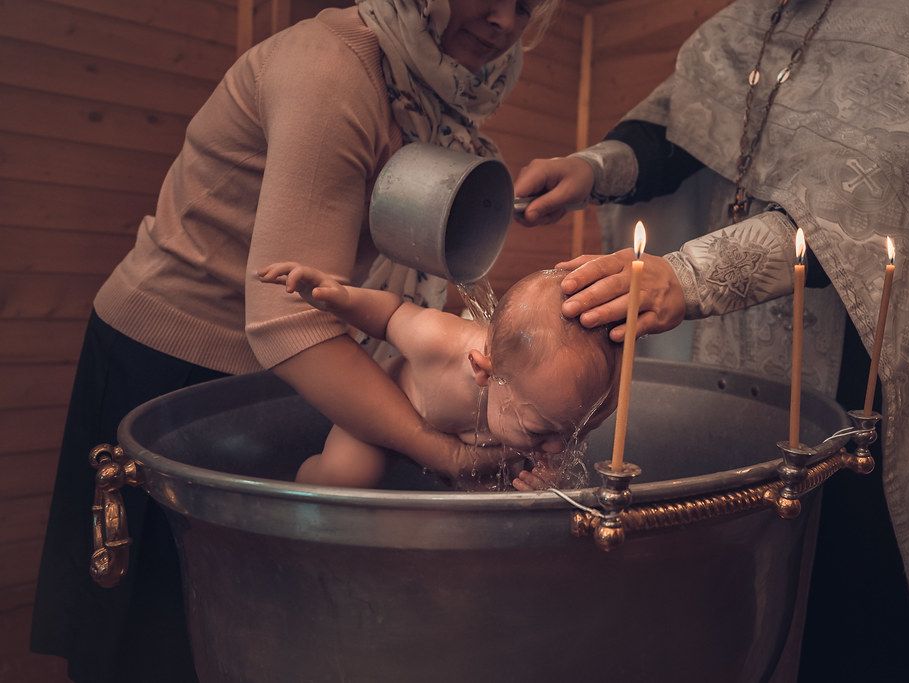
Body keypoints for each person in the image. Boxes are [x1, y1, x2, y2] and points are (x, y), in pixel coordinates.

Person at [30, 1, 558, 680]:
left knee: (225, 627)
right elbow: (288, 316)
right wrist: (439, 450)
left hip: (287, 366)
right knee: (143, 638)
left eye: (528, 6)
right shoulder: (333, 72)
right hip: (169, 358)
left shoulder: (437, 100)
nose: (506, 23)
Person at [513, 1, 909, 681]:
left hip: (871, 367)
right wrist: (595, 168)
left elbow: (874, 207)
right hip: (742, 344)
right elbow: (689, 124)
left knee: (849, 606)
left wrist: (692, 276)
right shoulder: (749, 21)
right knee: (746, 600)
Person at [258, 263, 618, 489]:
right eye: (540, 431)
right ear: (483, 371)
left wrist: (546, 477)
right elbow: (391, 315)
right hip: (386, 415)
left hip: (462, 447)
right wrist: (340, 298)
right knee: (347, 476)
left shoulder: (549, 407)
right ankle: (294, 487)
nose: (558, 445)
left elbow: (554, 445)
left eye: (577, 429)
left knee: (494, 498)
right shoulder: (440, 343)